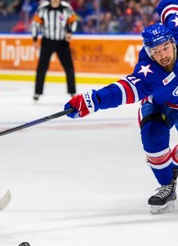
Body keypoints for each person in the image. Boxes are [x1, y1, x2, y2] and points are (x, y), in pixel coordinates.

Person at [64, 21, 178, 214]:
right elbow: (123, 90)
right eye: (156, 51)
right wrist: (93, 100)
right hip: (159, 105)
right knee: (152, 137)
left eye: (165, 48)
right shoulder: (149, 72)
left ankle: (173, 163)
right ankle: (167, 184)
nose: (162, 55)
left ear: (173, 43)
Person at [30, 0, 77, 101]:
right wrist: (35, 39)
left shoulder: (66, 8)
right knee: (42, 67)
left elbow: (73, 21)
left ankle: (72, 92)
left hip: (62, 41)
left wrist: (70, 32)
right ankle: (37, 92)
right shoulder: (43, 8)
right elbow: (36, 24)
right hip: (47, 41)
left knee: (69, 67)